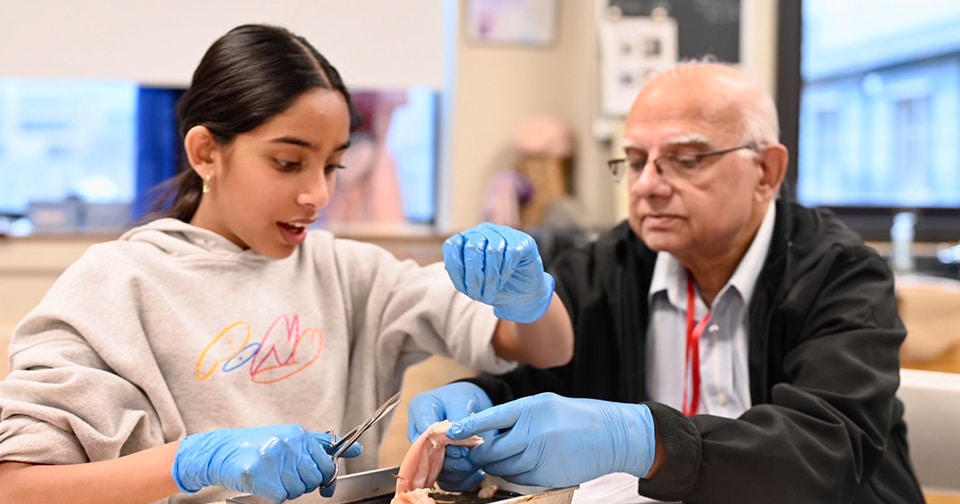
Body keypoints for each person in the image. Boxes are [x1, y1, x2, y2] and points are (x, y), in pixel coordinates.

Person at [0, 24, 573, 504]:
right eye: (287, 162)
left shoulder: (350, 275)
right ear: (206, 152)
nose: (318, 195)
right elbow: (15, 485)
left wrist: (528, 297)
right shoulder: (115, 286)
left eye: (332, 167)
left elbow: (549, 349)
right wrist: (189, 463)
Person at [409, 61, 925, 503]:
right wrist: (473, 406)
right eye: (635, 162)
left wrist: (648, 440)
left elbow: (827, 450)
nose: (649, 186)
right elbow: (545, 385)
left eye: (685, 160)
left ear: (766, 171)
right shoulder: (608, 264)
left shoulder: (842, 273)